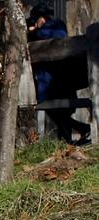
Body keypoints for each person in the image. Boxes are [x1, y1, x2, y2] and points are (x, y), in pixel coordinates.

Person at [27, 3, 89, 144]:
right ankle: (74, 135)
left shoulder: (55, 25)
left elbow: (58, 37)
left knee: (59, 110)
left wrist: (36, 31)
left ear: (41, 18)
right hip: (49, 80)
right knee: (55, 111)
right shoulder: (40, 30)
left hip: (59, 79)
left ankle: (74, 135)